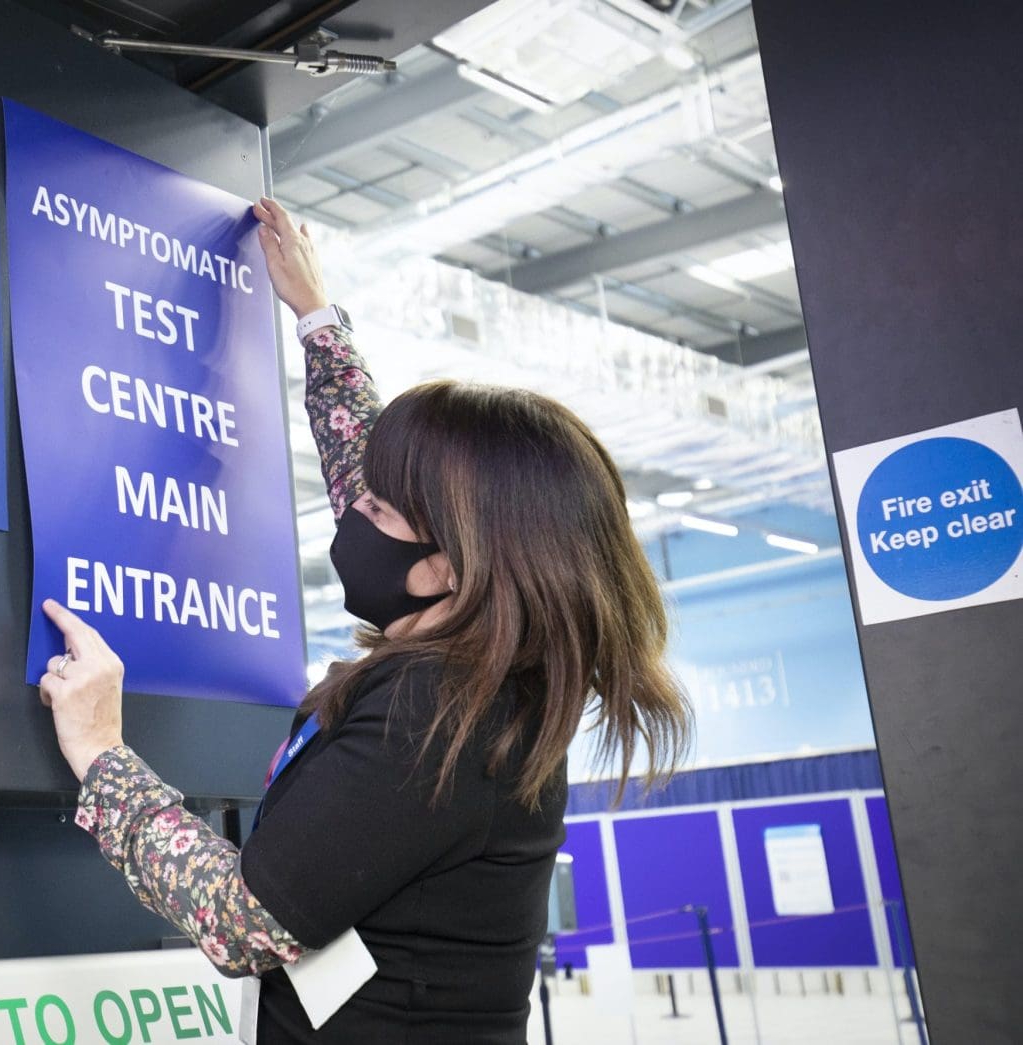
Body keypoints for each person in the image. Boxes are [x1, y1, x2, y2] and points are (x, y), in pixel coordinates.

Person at [35, 197, 692, 1043]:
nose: (353, 514)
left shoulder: (434, 719)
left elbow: (242, 919)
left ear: (449, 568)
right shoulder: (490, 668)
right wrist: (318, 321)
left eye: (376, 509)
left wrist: (100, 752)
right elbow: (367, 470)